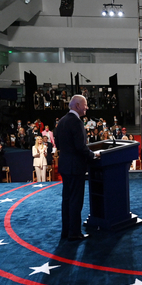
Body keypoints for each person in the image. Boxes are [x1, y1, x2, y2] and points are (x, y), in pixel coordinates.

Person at [57, 95, 99, 241]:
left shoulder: (62, 121)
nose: (87, 107)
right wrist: (93, 156)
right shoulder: (76, 122)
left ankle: (66, 232)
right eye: (85, 104)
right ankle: (74, 233)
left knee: (67, 200)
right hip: (75, 168)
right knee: (76, 201)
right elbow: (80, 147)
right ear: (77, 106)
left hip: (65, 166)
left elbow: (58, 144)